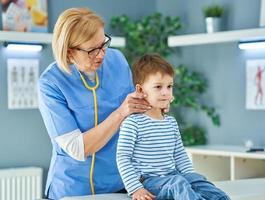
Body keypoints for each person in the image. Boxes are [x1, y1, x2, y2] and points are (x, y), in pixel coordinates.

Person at [38, 8, 162, 199]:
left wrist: (155, 102)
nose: (102, 54)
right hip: (73, 190)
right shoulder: (51, 83)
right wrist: (121, 113)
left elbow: (136, 113)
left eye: (103, 43)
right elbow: (78, 148)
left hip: (120, 183)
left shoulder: (117, 60)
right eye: (92, 50)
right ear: (69, 52)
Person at [117, 54, 230, 200]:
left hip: (173, 177)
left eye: (169, 86)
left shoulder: (171, 122)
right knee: (178, 183)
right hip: (149, 182)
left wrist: (191, 178)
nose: (165, 92)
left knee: (202, 183)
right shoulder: (133, 123)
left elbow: (179, 154)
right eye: (158, 87)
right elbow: (122, 157)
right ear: (140, 90)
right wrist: (135, 189)